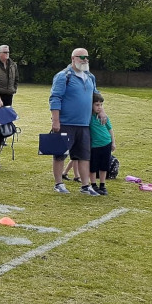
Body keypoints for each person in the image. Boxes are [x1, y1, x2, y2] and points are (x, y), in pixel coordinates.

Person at [49, 48, 102, 196]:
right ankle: (59, 183)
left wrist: (102, 111)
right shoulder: (63, 76)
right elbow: (55, 98)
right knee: (60, 154)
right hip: (66, 122)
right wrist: (56, 120)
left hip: (84, 124)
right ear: (73, 58)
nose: (85, 60)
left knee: (84, 156)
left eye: (87, 57)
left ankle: (86, 186)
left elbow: (96, 96)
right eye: (81, 57)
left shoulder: (90, 76)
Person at [89, 93, 115, 195]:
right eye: (96, 105)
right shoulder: (89, 117)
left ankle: (102, 185)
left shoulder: (104, 117)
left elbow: (110, 129)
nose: (99, 107)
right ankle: (93, 184)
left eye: (101, 105)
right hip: (94, 146)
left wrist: (113, 142)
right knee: (93, 166)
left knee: (104, 166)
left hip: (106, 143)